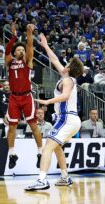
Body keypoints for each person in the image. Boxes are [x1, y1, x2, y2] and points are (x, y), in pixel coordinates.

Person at [25, 33, 84, 191]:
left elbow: (64, 96)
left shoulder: (67, 80)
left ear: (69, 68)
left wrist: (47, 101)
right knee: (56, 147)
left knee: (47, 147)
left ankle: (42, 180)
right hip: (69, 119)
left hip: (67, 118)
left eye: (68, 63)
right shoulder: (66, 76)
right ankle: (65, 177)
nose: (64, 64)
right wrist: (45, 46)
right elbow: (54, 60)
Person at [5, 22, 43, 169]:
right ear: (15, 53)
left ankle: (40, 153)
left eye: (22, 50)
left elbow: (29, 45)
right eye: (18, 50)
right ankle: (12, 154)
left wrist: (29, 32)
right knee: (11, 127)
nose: (21, 51)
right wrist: (13, 37)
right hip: (14, 97)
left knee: (33, 126)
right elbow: (7, 51)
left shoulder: (28, 61)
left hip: (27, 97)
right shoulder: (10, 62)